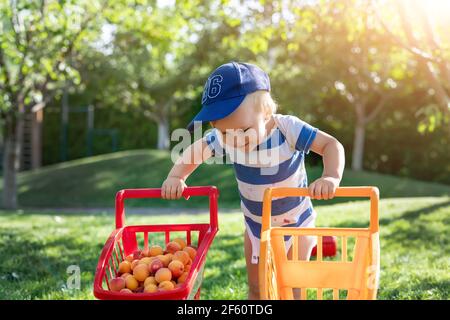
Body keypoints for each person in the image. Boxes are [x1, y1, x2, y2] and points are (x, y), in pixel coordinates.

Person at [161, 61, 345, 299]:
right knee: (257, 289)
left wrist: (330, 176)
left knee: (292, 288)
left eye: (244, 130)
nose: (235, 139)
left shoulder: (287, 128)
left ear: (266, 112)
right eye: (225, 133)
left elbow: (331, 145)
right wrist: (177, 176)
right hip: (256, 226)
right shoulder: (225, 138)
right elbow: (198, 148)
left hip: (296, 223)